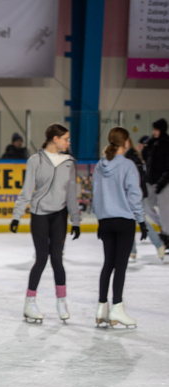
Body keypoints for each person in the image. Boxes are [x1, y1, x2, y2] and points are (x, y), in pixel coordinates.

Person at [10, 123, 81, 323]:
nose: (68, 142)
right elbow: (27, 190)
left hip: (59, 216)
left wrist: (75, 219)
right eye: (66, 138)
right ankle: (29, 302)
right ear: (55, 139)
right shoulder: (35, 161)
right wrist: (17, 216)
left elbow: (71, 194)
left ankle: (61, 301)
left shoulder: (69, 162)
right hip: (39, 214)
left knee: (57, 259)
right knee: (41, 258)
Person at [92, 127, 146, 328]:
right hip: (124, 222)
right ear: (125, 142)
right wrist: (141, 220)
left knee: (108, 264)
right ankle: (116, 308)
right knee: (120, 266)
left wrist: (99, 219)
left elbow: (96, 195)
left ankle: (101, 307)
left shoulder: (99, 165)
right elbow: (134, 195)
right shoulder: (128, 165)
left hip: (106, 221)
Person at [125, 133, 163, 261]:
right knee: (133, 221)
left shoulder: (132, 158)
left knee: (138, 220)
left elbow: (136, 179)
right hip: (134, 194)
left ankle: (158, 244)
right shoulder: (131, 157)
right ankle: (133, 250)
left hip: (134, 194)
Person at [142, 118, 169, 252]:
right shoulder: (152, 143)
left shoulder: (167, 143)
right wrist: (148, 143)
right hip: (150, 181)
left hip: (164, 183)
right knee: (146, 205)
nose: (154, 132)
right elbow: (145, 158)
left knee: (165, 211)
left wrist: (161, 183)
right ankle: (164, 228)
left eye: (156, 129)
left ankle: (166, 234)